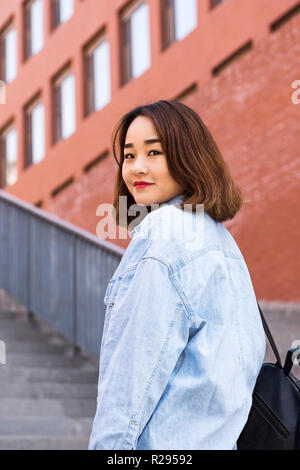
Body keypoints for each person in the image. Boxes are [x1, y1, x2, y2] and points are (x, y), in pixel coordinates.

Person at [88, 100, 266, 450]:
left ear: (189, 156)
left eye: (154, 152)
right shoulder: (220, 240)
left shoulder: (163, 234)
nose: (137, 168)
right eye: (128, 156)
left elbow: (130, 385)